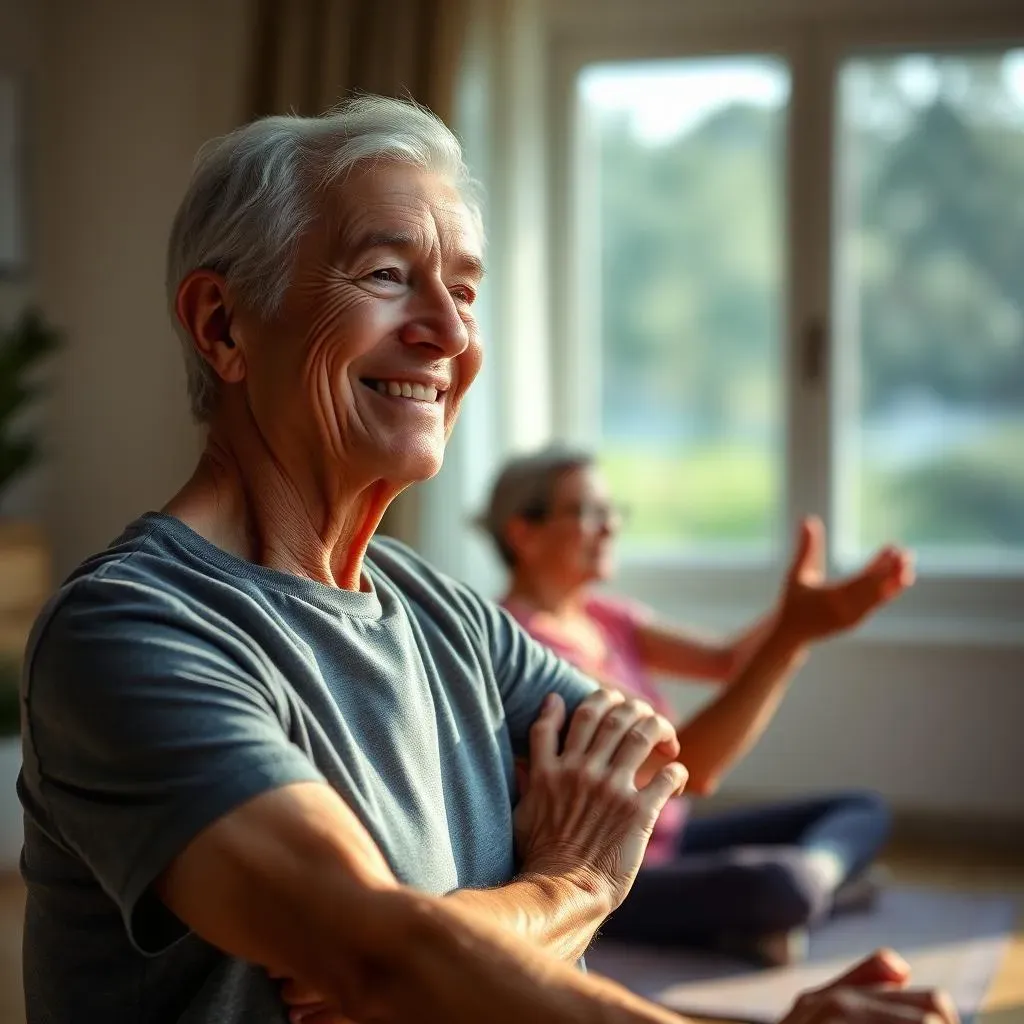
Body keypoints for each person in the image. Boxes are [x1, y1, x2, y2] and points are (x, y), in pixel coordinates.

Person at [16, 96, 956, 1024]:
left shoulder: (445, 612)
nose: (452, 335)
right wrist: (569, 884)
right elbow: (383, 962)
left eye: (463, 291)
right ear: (223, 325)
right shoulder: (131, 633)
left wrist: (448, 947)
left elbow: (652, 773)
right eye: (387, 275)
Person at [480, 445, 909, 965]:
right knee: (782, 883)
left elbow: (729, 660)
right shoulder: (526, 649)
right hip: (613, 866)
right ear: (523, 532)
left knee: (861, 810)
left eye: (612, 512)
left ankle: (800, 900)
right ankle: (813, 895)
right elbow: (693, 767)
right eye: (588, 512)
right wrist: (792, 634)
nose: (610, 527)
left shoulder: (605, 617)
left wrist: (812, 613)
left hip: (671, 835)